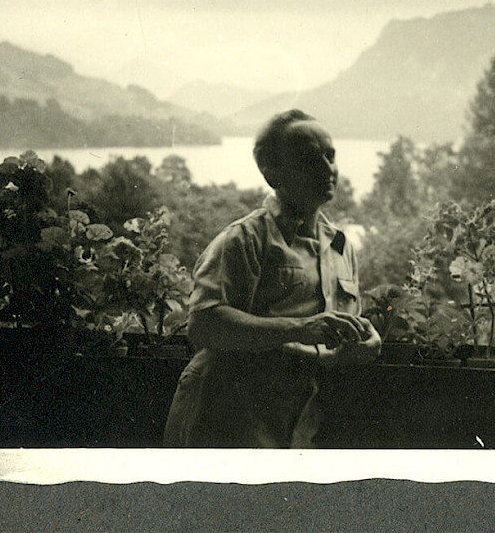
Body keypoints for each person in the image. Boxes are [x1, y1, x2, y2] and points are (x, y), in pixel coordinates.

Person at [163, 109, 381, 447]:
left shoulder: (341, 248)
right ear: (272, 174)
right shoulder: (244, 240)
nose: (328, 169)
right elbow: (204, 323)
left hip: (301, 423)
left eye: (331, 156)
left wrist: (367, 339)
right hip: (230, 418)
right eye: (311, 159)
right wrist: (300, 328)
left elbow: (335, 331)